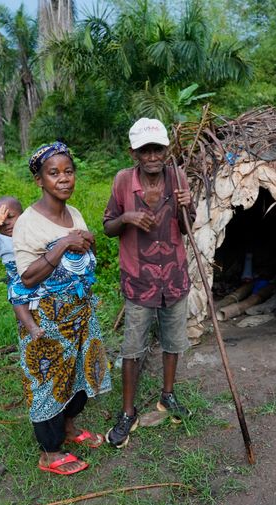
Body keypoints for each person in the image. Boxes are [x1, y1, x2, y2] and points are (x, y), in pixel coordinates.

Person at [12, 141, 111, 475]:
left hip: (78, 313)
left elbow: (82, 251)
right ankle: (50, 453)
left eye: (69, 172)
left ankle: (69, 429)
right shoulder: (28, 222)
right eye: (54, 173)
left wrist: (86, 240)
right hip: (47, 319)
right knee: (48, 384)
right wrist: (64, 244)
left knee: (78, 377)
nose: (64, 179)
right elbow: (27, 278)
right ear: (40, 180)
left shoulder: (75, 213)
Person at [103, 117, 196, 449]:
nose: (153, 156)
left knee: (173, 342)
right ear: (134, 153)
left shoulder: (178, 178)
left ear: (167, 150)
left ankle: (167, 396)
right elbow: (108, 226)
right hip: (139, 279)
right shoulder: (123, 182)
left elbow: (187, 228)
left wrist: (189, 206)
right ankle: (127, 413)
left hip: (174, 277)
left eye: (158, 149)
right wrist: (126, 218)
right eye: (145, 151)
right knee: (132, 347)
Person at [0, 196, 45, 340]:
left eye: (10, 217)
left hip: (38, 274)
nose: (6, 223)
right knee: (17, 300)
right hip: (18, 280)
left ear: (23, 215)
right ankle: (32, 328)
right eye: (1, 222)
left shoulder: (32, 231)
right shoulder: (1, 240)